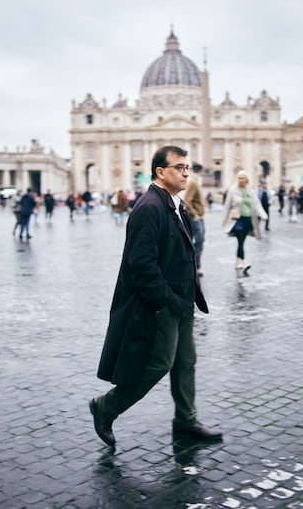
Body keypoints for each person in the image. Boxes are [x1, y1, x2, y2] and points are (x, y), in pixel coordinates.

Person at [90, 145, 222, 447]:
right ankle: (105, 407)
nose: (186, 172)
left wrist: (188, 297)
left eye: (187, 167)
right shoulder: (148, 208)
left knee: (185, 362)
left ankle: (186, 422)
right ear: (160, 172)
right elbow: (142, 265)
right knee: (160, 363)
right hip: (163, 304)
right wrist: (166, 302)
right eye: (179, 167)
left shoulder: (176, 203)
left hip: (182, 299)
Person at [222, 170, 268, 272]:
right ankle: (244, 261)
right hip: (237, 220)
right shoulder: (232, 190)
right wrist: (224, 219)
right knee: (240, 239)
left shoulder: (250, 191)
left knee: (241, 242)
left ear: (246, 179)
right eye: (239, 178)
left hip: (248, 219)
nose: (240, 180)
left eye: (242, 178)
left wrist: (263, 214)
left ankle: (238, 260)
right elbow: (227, 206)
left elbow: (257, 204)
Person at [183, 162, 206, 275]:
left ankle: (194, 265)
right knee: (199, 241)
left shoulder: (194, 181)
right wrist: (195, 215)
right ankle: (196, 266)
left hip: (198, 216)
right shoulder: (192, 182)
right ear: (200, 171)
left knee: (198, 241)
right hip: (196, 217)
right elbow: (187, 201)